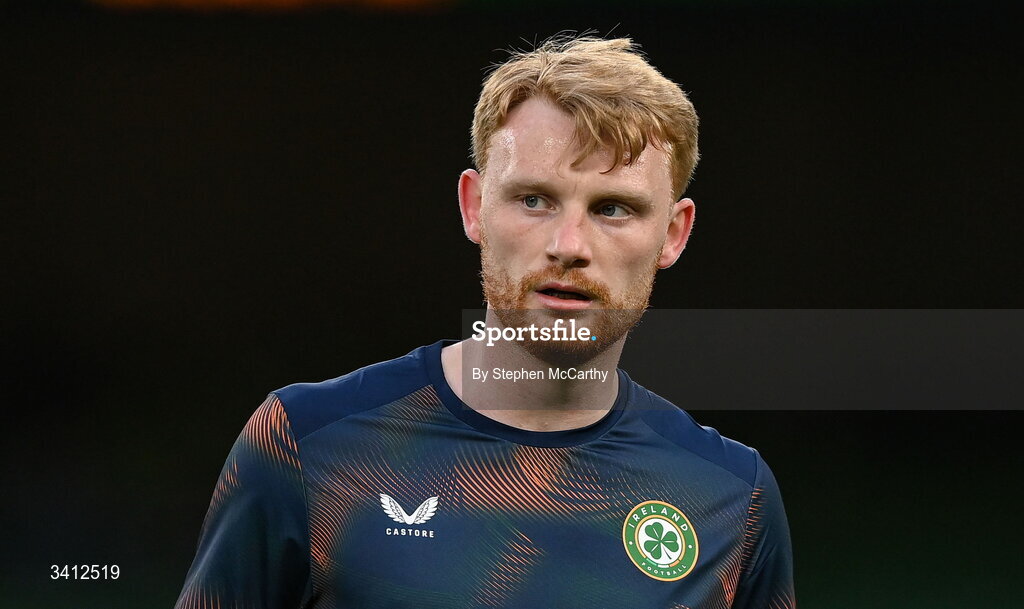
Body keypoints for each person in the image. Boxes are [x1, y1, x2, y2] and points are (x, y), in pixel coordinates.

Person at [175, 35, 795, 609]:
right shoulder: (305, 445)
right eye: (534, 199)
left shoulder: (732, 499)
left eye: (613, 208)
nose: (568, 244)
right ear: (474, 207)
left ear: (674, 233)